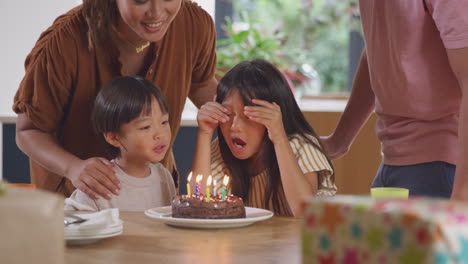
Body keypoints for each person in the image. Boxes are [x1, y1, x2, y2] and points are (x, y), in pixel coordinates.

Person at [13, 0, 217, 199]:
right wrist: (73, 167)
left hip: (152, 197)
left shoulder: (193, 24)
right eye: (140, 1)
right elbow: (29, 130)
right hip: (76, 204)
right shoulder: (65, 41)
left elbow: (201, 84)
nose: (156, 13)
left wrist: (239, 111)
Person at [321, 0, 468, 199]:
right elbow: (377, 53)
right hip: (394, 161)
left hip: (442, 167)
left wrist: (462, 192)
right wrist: (339, 140)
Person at [190, 59, 337, 217]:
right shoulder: (220, 150)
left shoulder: (300, 147)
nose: (234, 126)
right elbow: (198, 207)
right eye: (227, 114)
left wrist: (279, 137)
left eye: (248, 116)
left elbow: (304, 211)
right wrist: (204, 134)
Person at [65, 76, 175, 211]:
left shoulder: (163, 176)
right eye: (145, 127)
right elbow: (71, 224)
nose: (160, 134)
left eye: (164, 122)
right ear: (114, 138)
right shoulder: (100, 181)